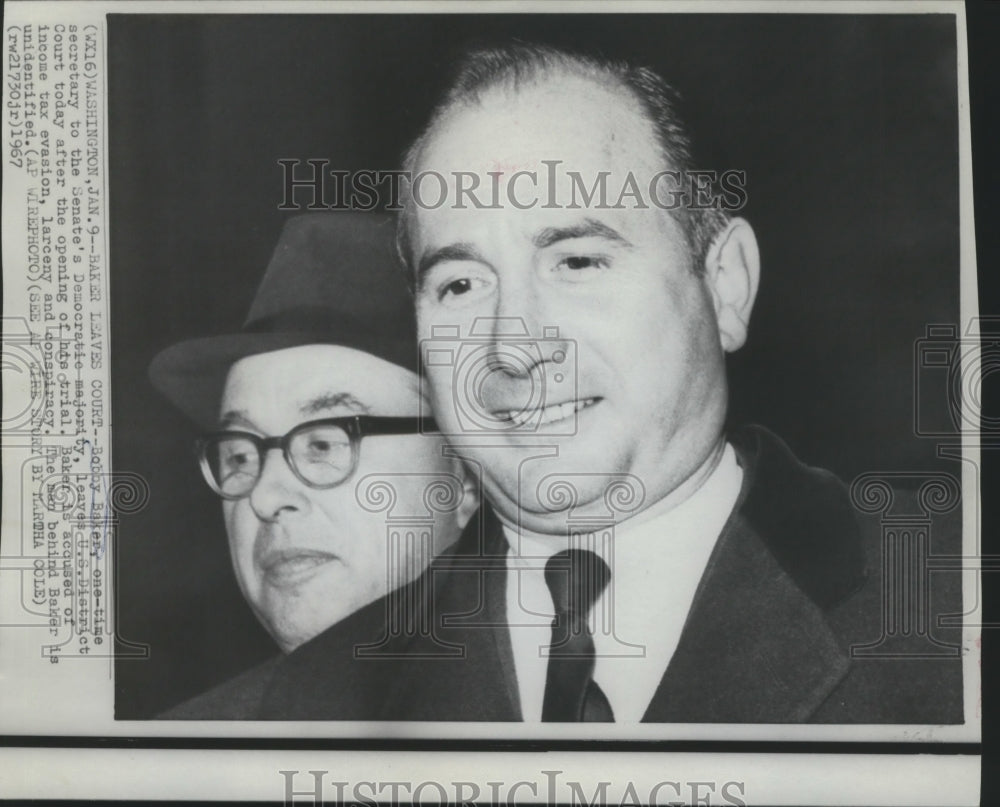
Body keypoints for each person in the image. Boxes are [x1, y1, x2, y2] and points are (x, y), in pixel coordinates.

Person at [259, 43, 963, 723]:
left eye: (578, 262)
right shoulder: (301, 710)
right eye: (461, 283)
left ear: (725, 286)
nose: (512, 346)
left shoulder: (953, 608)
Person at [149, 212, 476, 718]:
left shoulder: (573, 711)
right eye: (238, 455)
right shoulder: (177, 757)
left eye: (324, 443)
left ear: (466, 477)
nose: (264, 495)